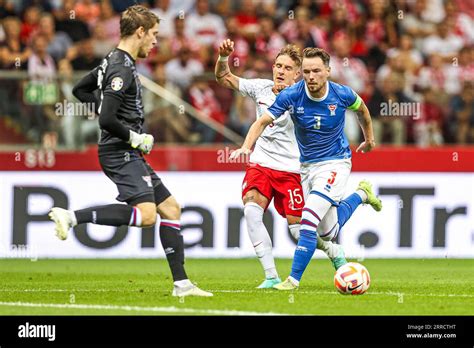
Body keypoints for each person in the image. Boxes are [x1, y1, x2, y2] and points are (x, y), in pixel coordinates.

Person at [48, 5, 212, 297]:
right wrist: (134, 136)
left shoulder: (113, 59)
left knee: (171, 208)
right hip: (119, 150)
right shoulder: (121, 67)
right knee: (148, 216)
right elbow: (107, 119)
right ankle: (72, 217)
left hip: (126, 150)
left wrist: (113, 115)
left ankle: (182, 285)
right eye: (154, 35)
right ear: (140, 32)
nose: (156, 42)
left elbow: (79, 90)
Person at [230, 47, 382, 290]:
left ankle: (292, 281)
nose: (312, 77)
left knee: (307, 221)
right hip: (306, 168)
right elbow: (261, 121)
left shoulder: (342, 93)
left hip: (335, 163)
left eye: (316, 71)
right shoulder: (291, 96)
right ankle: (362, 194)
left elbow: (362, 109)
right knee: (328, 231)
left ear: (327, 72)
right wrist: (247, 147)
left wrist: (370, 138)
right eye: (308, 72)